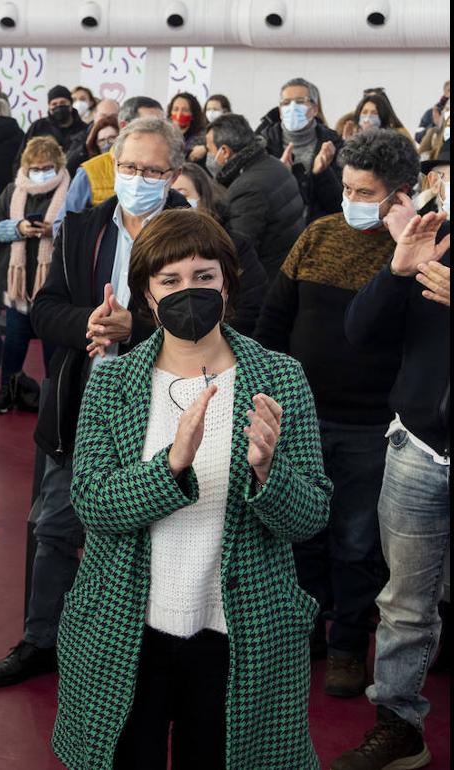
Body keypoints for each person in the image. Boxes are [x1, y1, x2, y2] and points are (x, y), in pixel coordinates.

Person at [53, 208, 332, 770]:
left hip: (239, 633)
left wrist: (267, 472)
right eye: (170, 280)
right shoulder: (112, 382)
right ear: (147, 297)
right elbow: (92, 502)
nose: (190, 291)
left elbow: (311, 516)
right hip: (127, 628)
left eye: (204, 277)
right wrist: (172, 465)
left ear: (227, 284)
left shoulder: (280, 378)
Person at [0, 116, 190, 688]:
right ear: (110, 168)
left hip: (163, 411)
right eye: (128, 168)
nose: (138, 179)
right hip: (81, 402)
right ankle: (39, 639)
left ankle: (127, 652)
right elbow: (45, 308)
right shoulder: (80, 229)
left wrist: (138, 328)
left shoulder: (197, 239)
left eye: (151, 170)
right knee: (53, 526)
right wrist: (91, 324)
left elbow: (218, 323)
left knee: (143, 537)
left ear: (173, 173)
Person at [253, 128, 419, 700]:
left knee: (356, 541)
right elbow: (276, 318)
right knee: (301, 533)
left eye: (365, 191)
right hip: (300, 417)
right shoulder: (319, 234)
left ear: (401, 195)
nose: (350, 199)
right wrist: (264, 391)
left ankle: (348, 643)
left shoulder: (421, 254)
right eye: (346, 186)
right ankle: (308, 635)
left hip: (373, 427)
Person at [332, 208, 449, 770]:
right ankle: (399, 726)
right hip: (419, 449)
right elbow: (361, 333)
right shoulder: (436, 239)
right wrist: (397, 271)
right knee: (403, 603)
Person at [0, 136, 68, 414]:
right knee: (14, 343)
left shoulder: (73, 188)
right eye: (35, 167)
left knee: (54, 349)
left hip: (57, 288)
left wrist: (54, 230)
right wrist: (18, 228)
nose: (41, 172)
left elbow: (82, 229)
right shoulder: (12, 190)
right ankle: (7, 391)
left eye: (47, 167)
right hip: (18, 288)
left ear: (58, 165)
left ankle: (54, 399)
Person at [169, 162, 270, 337]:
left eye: (181, 194)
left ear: (202, 198)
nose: (175, 201)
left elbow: (251, 306)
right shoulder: (158, 252)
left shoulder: (234, 245)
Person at [204, 113, 305, 279]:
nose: (208, 156)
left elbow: (240, 249)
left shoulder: (247, 189)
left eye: (210, 150)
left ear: (224, 151)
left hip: (267, 278)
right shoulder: (273, 164)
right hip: (283, 268)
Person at [52, 96, 165, 234]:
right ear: (125, 126)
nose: (159, 134)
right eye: (150, 126)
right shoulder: (91, 171)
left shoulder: (168, 170)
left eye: (162, 126)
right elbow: (61, 227)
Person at [257, 77, 343, 223]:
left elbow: (338, 204)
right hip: (276, 231)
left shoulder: (333, 144)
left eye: (300, 101)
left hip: (317, 228)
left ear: (315, 109)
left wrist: (321, 173)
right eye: (286, 103)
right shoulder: (263, 144)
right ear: (280, 111)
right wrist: (280, 175)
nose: (292, 107)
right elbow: (257, 198)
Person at [21, 85, 89, 159]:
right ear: (49, 106)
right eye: (54, 104)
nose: (58, 106)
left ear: (71, 104)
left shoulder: (84, 129)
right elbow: (23, 155)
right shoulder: (38, 127)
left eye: (62, 103)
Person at [167, 91, 208, 160]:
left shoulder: (204, 138)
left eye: (185, 110)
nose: (179, 114)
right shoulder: (163, 135)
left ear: (193, 114)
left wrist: (206, 149)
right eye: (175, 109)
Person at [414, 79, 450, 144]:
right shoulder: (430, 113)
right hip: (438, 153)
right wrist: (434, 125)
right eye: (449, 90)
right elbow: (418, 137)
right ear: (445, 93)